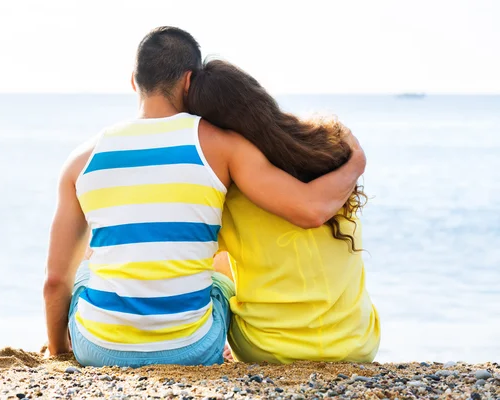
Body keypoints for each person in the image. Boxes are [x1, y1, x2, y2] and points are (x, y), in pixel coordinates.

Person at [43, 26, 366, 367]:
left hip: (99, 351)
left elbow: (54, 282)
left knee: (85, 267)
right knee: (216, 271)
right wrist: (354, 164)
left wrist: (59, 353)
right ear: (189, 81)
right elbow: (309, 208)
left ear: (134, 81)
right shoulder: (221, 145)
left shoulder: (80, 162)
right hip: (193, 348)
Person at [186, 59, 380, 364]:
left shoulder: (227, 187)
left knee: (216, 261)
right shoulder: (326, 149)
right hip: (355, 343)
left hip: (267, 349)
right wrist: (357, 161)